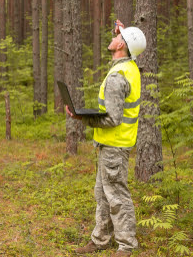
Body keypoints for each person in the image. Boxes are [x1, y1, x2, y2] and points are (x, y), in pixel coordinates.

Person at [67, 20, 146, 256]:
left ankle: (126, 245)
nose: (112, 38)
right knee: (102, 193)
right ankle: (100, 239)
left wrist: (83, 119)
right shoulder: (128, 67)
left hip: (114, 145)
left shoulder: (118, 76)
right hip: (114, 144)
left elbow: (112, 119)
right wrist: (123, 31)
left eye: (117, 36)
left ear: (121, 44)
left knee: (116, 195)